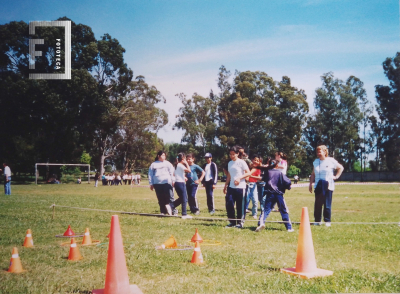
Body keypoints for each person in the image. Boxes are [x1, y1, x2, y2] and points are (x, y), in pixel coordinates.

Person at [309, 145, 344, 227]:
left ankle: (327, 221)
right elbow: (313, 174)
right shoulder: (315, 162)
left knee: (327, 204)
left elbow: (341, 168)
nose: (318, 153)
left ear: (325, 152)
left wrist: (336, 176)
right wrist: (310, 184)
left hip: (328, 186)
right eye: (317, 152)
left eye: (320, 151)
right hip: (318, 186)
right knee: (318, 204)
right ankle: (317, 220)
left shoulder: (331, 161)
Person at [255, 159, 294, 232]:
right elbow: (288, 182)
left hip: (269, 194)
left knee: (266, 210)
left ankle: (261, 223)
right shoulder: (280, 173)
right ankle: (289, 227)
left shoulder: (268, 172)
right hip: (279, 194)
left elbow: (262, 179)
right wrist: (288, 187)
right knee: (283, 210)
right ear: (277, 165)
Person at [223, 146, 251, 228]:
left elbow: (248, 173)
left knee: (240, 206)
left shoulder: (242, 162)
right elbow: (229, 175)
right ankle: (232, 222)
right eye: (230, 154)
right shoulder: (229, 163)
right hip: (231, 187)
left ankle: (240, 222)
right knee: (229, 203)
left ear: (237, 154)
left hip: (241, 187)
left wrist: (239, 178)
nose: (232, 156)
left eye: (233, 154)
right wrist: (225, 185)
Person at [148, 150, 176, 215]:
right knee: (160, 198)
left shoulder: (168, 163)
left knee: (170, 197)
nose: (164, 156)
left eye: (165, 155)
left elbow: (172, 173)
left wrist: (173, 180)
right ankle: (163, 211)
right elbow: (150, 174)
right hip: (157, 184)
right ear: (158, 156)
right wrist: (151, 184)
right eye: (163, 155)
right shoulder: (153, 164)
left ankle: (173, 211)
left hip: (167, 183)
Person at [172, 153, 192, 219]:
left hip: (177, 183)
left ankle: (171, 206)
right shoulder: (180, 165)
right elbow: (189, 170)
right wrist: (186, 164)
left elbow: (174, 174)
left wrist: (183, 176)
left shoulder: (176, 165)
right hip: (181, 183)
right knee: (184, 199)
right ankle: (184, 214)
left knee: (181, 198)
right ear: (183, 159)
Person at [245, 155, 262, 219]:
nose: (256, 162)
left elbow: (259, 178)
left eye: (258, 161)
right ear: (252, 160)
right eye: (255, 160)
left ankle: (254, 214)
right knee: (246, 199)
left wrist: (250, 176)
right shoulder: (247, 167)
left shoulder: (258, 169)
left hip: (254, 184)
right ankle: (243, 212)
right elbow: (246, 177)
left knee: (255, 200)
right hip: (247, 184)